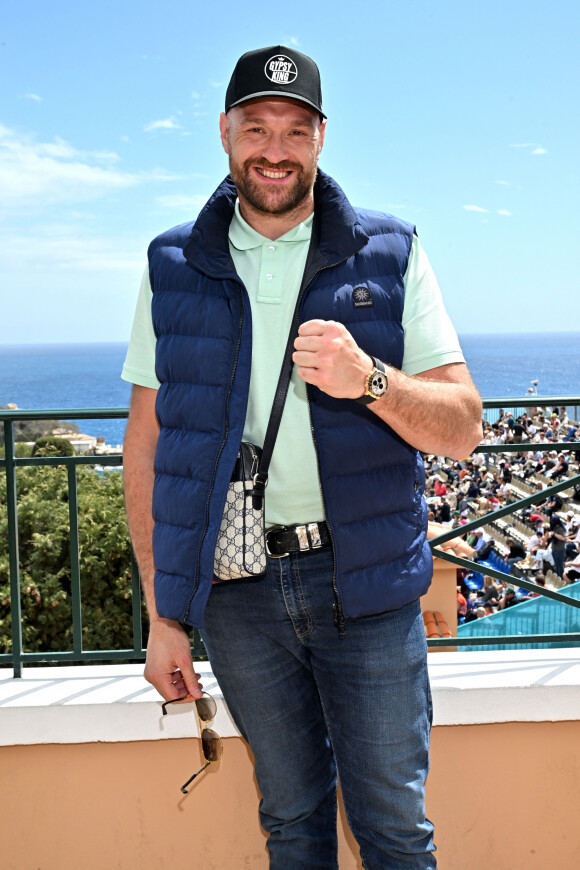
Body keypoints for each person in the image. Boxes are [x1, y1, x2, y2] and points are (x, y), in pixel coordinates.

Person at [121, 45, 482, 870]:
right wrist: (163, 615)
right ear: (224, 133)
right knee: (291, 822)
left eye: (294, 129)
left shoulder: (390, 251)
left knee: (394, 828)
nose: (274, 149)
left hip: (368, 586)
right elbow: (147, 442)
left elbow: (462, 426)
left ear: (321, 137)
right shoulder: (171, 264)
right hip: (237, 594)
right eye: (256, 127)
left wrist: (371, 381)